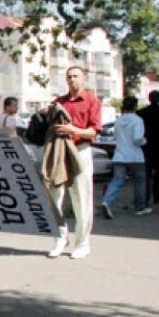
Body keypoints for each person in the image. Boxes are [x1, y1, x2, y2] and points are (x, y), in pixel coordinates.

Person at [45, 66, 102, 260]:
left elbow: (94, 131)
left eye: (76, 76)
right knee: (54, 196)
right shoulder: (59, 102)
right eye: (69, 77)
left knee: (81, 198)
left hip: (80, 150)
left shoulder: (92, 101)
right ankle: (60, 237)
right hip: (60, 151)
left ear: (84, 79)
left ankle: (83, 243)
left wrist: (73, 130)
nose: (72, 80)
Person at [101, 96, 150, 218]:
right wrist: (144, 141)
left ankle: (107, 202)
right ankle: (140, 207)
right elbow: (138, 138)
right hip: (135, 156)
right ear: (135, 106)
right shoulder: (138, 120)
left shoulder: (119, 120)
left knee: (117, 181)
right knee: (140, 181)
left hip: (120, 155)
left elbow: (115, 137)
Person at [137, 90, 159, 204]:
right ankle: (158, 195)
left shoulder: (141, 113)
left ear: (149, 98)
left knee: (146, 173)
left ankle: (145, 196)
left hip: (145, 147)